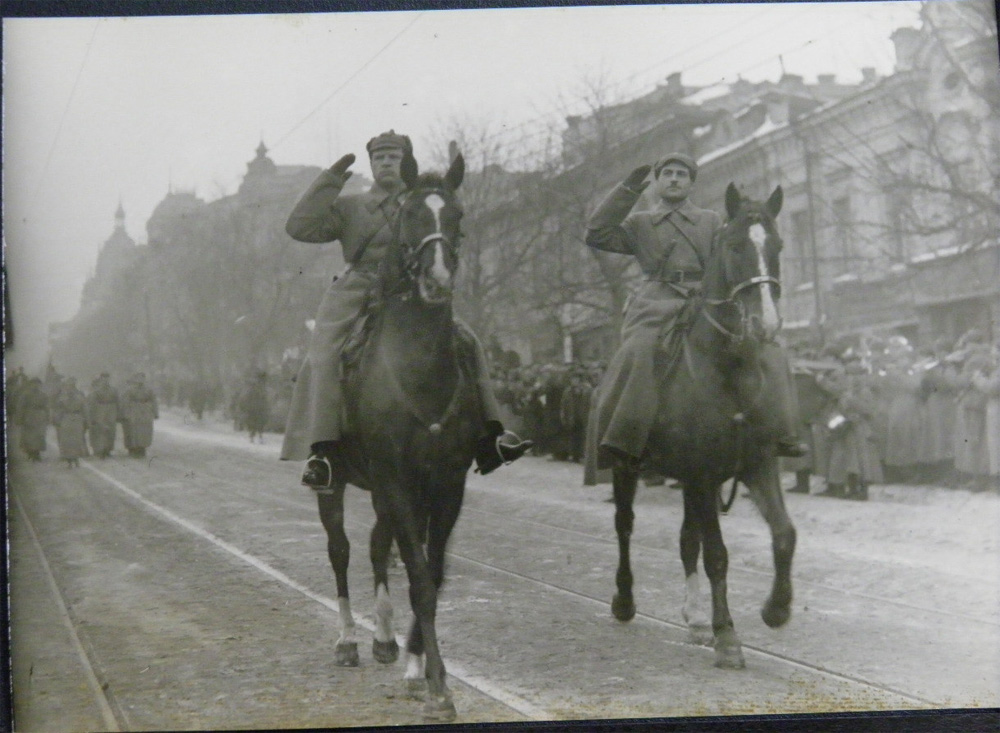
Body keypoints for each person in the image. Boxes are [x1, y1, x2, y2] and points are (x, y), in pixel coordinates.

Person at [281, 130, 531, 489]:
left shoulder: (423, 202)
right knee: (323, 356)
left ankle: (489, 437)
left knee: (468, 343)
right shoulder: (351, 207)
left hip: (409, 291)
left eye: (394, 157)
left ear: (407, 163)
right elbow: (299, 227)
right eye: (379, 157)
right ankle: (323, 452)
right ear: (371, 163)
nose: (386, 162)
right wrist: (330, 181)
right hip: (357, 291)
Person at [585, 152, 807, 469]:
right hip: (655, 301)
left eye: (682, 174)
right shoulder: (640, 222)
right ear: (658, 182)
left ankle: (782, 431)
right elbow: (597, 233)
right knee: (640, 349)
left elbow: (736, 252)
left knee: (765, 348)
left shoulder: (712, 221)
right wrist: (626, 191)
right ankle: (624, 438)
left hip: (704, 298)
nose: (675, 179)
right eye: (668, 173)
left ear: (691, 183)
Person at [52, 377, 88, 468]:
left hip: (77, 418)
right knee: (67, 440)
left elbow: (84, 409)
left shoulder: (80, 395)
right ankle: (69, 459)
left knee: (77, 439)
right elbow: (58, 409)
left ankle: (76, 458)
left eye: (73, 385)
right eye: (69, 385)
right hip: (66, 418)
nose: (71, 388)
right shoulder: (62, 397)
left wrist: (86, 420)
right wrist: (57, 420)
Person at [120, 372, 159, 458]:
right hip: (133, 410)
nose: (140, 380)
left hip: (145, 411)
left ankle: (142, 447)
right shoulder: (130, 390)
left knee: (145, 431)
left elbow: (154, 401)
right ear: (135, 379)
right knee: (133, 430)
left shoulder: (149, 390)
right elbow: (125, 401)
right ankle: (133, 448)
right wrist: (125, 413)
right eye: (139, 378)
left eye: (142, 378)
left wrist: (155, 412)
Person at [87, 372, 119, 458]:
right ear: (101, 379)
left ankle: (108, 449)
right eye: (104, 379)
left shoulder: (113, 390)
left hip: (111, 410)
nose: (106, 381)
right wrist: (92, 414)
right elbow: (92, 403)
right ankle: (99, 450)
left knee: (111, 430)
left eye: (107, 379)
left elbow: (117, 401)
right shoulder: (97, 391)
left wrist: (118, 413)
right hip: (99, 410)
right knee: (100, 430)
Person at [17, 377, 49, 461]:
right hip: (28, 416)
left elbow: (47, 407)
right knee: (29, 436)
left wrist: (47, 417)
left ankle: (37, 453)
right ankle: (31, 452)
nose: (35, 386)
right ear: (30, 385)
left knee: (39, 435)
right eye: (34, 384)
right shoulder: (25, 395)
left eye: (37, 384)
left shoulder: (43, 395)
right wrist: (20, 418)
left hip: (40, 417)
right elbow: (21, 407)